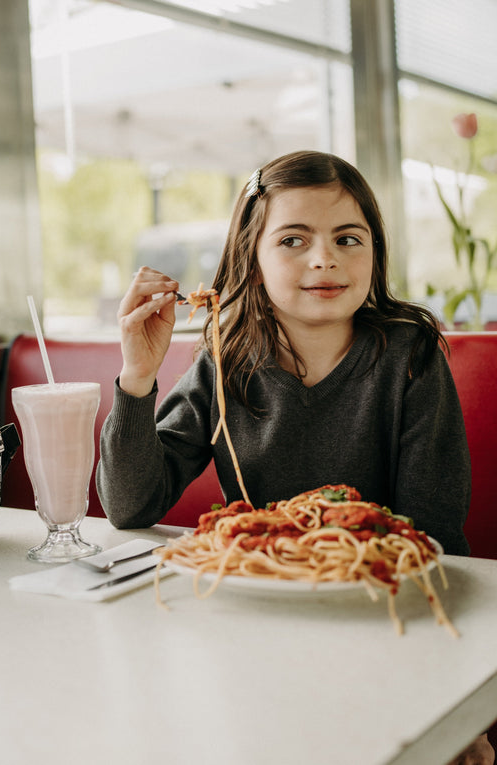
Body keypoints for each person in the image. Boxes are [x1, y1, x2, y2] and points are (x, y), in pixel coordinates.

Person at [96, 150, 494, 764]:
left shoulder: (409, 354)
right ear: (250, 262)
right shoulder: (225, 358)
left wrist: (455, 698)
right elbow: (130, 505)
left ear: (375, 253)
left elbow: (432, 539)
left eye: (347, 238)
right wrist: (137, 378)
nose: (324, 258)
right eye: (293, 239)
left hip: (387, 627)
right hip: (250, 627)